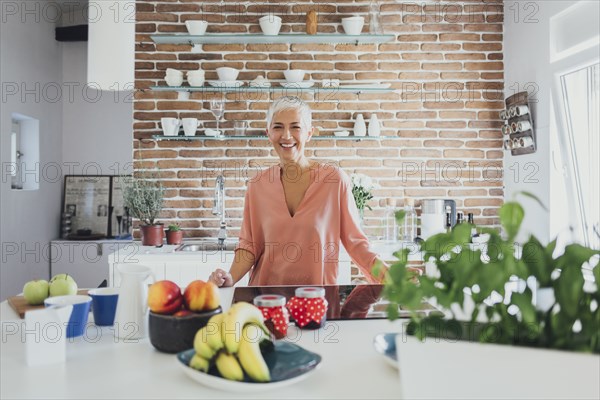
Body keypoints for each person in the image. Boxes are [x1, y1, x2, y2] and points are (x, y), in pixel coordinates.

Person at [208, 96, 392, 287]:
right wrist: (230, 277)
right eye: (278, 127)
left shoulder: (334, 180)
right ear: (268, 133)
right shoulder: (258, 184)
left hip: (317, 301)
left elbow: (356, 244)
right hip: (265, 300)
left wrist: (390, 275)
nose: (286, 136)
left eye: (295, 127)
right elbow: (249, 246)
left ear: (309, 133)